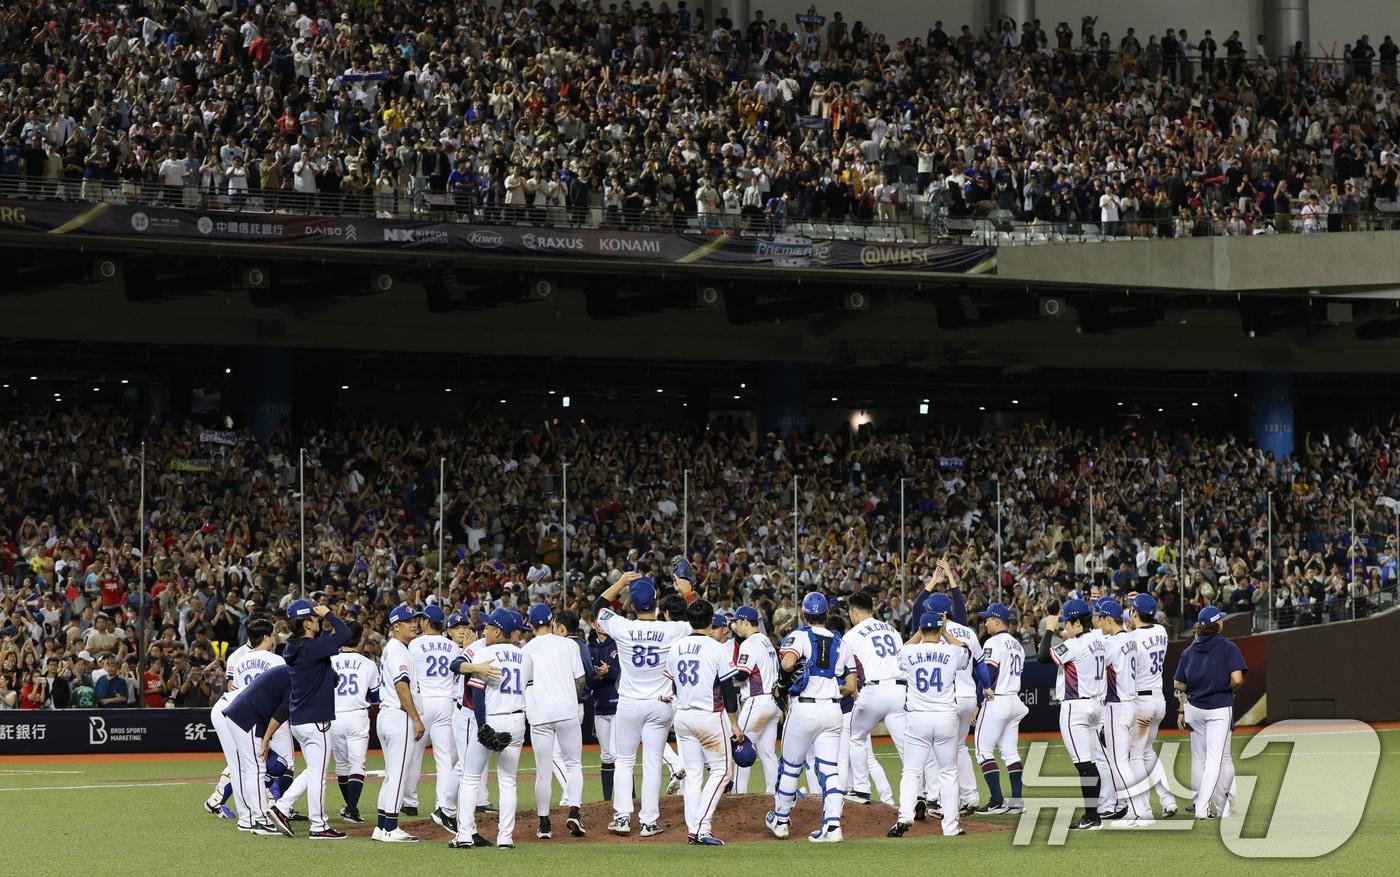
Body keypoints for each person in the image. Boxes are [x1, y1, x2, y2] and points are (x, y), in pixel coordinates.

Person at [591, 569, 696, 837]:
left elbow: (597, 609)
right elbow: (699, 619)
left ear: (632, 605)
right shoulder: (671, 629)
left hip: (629, 703)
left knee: (624, 761)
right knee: (652, 763)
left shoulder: (622, 626)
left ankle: (622, 818)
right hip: (660, 704)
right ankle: (649, 821)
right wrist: (687, 592)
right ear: (657, 602)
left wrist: (620, 582)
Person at [265, 599, 352, 839]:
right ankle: (319, 825)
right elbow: (346, 634)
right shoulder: (312, 647)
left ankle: (282, 807)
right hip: (316, 719)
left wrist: (322, 620)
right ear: (306, 623)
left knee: (314, 770)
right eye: (314, 617)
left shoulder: (293, 647)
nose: (318, 620)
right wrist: (329, 615)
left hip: (300, 720)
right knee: (319, 775)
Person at [765, 591, 847, 843]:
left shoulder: (799, 635)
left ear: (803, 613)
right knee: (830, 769)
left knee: (791, 766)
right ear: (826, 614)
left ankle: (780, 821)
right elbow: (846, 677)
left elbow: (788, 663)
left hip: (805, 708)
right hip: (832, 709)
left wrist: (789, 676)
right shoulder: (840, 641)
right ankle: (833, 826)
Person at [451, 609, 534, 849]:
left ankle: (464, 835)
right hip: (516, 720)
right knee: (508, 781)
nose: (484, 630)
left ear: (498, 631)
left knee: (470, 778)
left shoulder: (484, 654)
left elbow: (478, 695)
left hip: (491, 718)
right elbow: (527, 688)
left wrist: (482, 727)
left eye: (488, 627)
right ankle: (505, 838)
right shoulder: (525, 656)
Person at [664, 598, 744, 845]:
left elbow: (672, 684)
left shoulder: (676, 647)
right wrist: (734, 723)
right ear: (711, 622)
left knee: (693, 773)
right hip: (709, 716)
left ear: (689, 621)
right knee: (723, 771)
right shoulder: (716, 648)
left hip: (683, 716)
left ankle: (693, 827)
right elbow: (728, 690)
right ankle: (701, 827)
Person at [886, 611, 970, 839]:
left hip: (918, 718)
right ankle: (951, 827)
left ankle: (905, 816)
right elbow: (966, 651)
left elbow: (900, 651)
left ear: (921, 630)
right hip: (945, 718)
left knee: (911, 771)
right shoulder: (951, 652)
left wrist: (917, 635)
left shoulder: (910, 652)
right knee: (948, 773)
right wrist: (946, 633)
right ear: (940, 630)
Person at [1039, 598, 1107, 830]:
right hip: (1096, 706)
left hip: (1076, 708)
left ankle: (1091, 816)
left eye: (1068, 622)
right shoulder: (1097, 638)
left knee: (1084, 765)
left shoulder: (1074, 645)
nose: (1065, 626)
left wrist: (1049, 629)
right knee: (1092, 763)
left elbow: (1042, 656)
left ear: (1077, 623)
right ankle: (1096, 813)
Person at [1173, 606, 1247, 820]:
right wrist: (1226, 688)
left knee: (1199, 758)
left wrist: (1194, 691)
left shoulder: (1189, 650)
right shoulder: (1227, 647)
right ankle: (1206, 808)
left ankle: (1202, 801)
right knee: (1219, 758)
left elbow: (1178, 683)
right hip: (1218, 707)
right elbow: (1237, 679)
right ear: (1218, 625)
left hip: (1195, 708)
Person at [522, 602, 587, 839]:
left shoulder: (525, 650)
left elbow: (522, 686)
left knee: (543, 771)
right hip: (566, 712)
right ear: (552, 622)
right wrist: (569, 697)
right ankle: (574, 812)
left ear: (530, 624)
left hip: (539, 714)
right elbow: (580, 680)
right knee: (573, 764)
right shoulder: (569, 644)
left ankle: (544, 824)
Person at [841, 590, 904, 807]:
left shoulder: (851, 635)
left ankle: (861, 789)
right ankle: (923, 795)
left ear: (854, 612)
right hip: (900, 690)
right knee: (907, 747)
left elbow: (846, 669)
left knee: (856, 737)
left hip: (873, 691)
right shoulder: (893, 630)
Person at [373, 603, 427, 842]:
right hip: (399, 716)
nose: (414, 625)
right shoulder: (399, 651)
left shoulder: (392, 648)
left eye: (415, 620)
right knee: (398, 775)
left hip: (387, 715)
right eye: (408, 622)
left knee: (391, 774)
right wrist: (416, 719)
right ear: (396, 627)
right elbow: (401, 686)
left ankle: (381, 826)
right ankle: (391, 828)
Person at [1096, 599, 1151, 827]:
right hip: (1130, 703)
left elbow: (1096, 665)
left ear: (1109, 619)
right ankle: (1139, 809)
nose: (1099, 622)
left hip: (1117, 706)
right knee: (1123, 761)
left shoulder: (1112, 643)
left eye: (1101, 618)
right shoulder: (1130, 639)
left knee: (1119, 763)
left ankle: (1140, 812)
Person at [972, 602, 1029, 815]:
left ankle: (997, 801)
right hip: (1014, 700)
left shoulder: (993, 642)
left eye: (988, 619)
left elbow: (987, 673)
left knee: (983, 751)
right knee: (1010, 753)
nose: (985, 623)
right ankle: (1017, 802)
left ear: (997, 621)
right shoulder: (1017, 644)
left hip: (997, 700)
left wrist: (978, 703)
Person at [222, 662, 291, 836]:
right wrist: (266, 739)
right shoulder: (296, 677)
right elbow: (281, 712)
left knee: (250, 769)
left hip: (240, 714)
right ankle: (260, 820)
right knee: (257, 769)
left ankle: (251, 819)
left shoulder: (288, 670)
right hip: (247, 717)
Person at [408, 604, 460, 833]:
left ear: (427, 622)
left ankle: (409, 801)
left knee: (414, 753)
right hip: (446, 702)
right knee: (444, 757)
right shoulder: (453, 646)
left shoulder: (415, 644)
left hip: (423, 702)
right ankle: (442, 804)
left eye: (422, 619)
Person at [329, 621, 379, 824]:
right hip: (357, 715)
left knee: (342, 766)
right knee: (357, 764)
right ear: (360, 639)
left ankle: (351, 808)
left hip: (334, 716)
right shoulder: (369, 664)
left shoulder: (329, 660)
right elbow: (375, 696)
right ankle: (351, 809)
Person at [729, 605, 780, 794]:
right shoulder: (766, 641)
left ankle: (738, 793)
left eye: (736, 622)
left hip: (757, 702)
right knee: (767, 752)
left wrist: (725, 675)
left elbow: (742, 674)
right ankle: (773, 793)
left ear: (744, 621)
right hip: (774, 704)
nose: (735, 626)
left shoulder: (749, 643)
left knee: (741, 747)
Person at [589, 624, 621, 801]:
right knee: (606, 755)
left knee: (618, 755)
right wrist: (599, 676)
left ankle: (629, 797)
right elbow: (588, 680)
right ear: (593, 624)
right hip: (599, 706)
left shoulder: (618, 643)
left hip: (618, 705)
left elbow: (622, 672)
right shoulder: (589, 647)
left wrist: (609, 672)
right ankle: (606, 801)